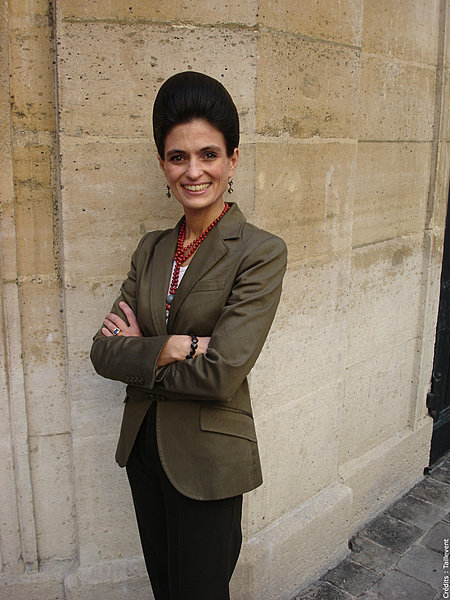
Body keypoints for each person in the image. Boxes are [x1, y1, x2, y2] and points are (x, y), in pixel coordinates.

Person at [90, 71, 287, 600]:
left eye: (209, 154)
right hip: (144, 451)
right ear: (163, 164)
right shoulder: (151, 249)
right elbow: (103, 352)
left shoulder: (260, 252)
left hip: (207, 459)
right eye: (178, 157)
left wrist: (142, 355)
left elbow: (222, 374)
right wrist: (176, 347)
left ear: (233, 160)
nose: (194, 171)